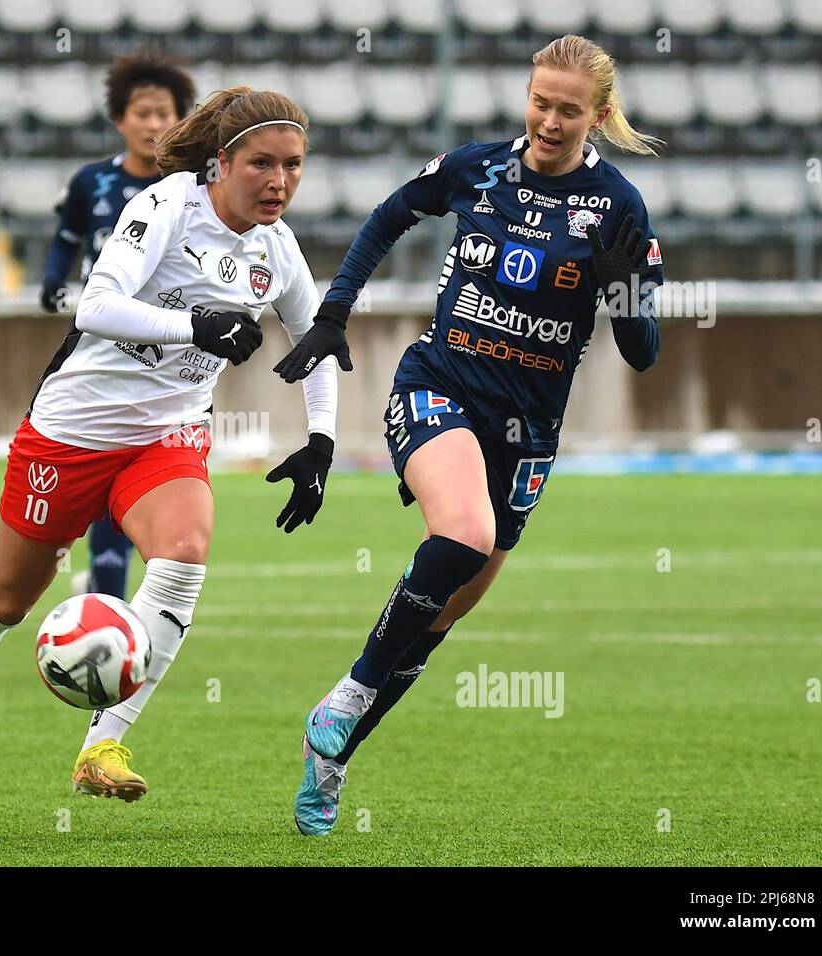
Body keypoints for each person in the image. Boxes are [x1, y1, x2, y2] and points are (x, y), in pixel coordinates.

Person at [0, 87, 339, 803]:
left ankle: (103, 742)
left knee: (185, 554)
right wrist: (196, 326)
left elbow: (318, 344)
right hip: (73, 432)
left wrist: (320, 443)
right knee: (8, 600)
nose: (279, 181)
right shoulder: (168, 206)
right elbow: (95, 306)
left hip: (165, 438)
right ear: (222, 162)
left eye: (293, 166)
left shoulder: (278, 249)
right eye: (262, 163)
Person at [275, 34, 666, 835]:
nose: (550, 121)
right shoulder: (477, 168)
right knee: (463, 532)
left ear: (598, 114)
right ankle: (351, 688)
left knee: (439, 619)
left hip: (527, 432)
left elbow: (643, 353)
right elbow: (387, 218)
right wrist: (333, 313)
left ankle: (329, 764)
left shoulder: (618, 205)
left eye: (568, 109)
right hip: (437, 387)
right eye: (540, 102)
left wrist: (625, 288)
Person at [38, 53, 197, 602]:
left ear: (182, 120)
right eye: (142, 113)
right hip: (97, 338)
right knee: (73, 456)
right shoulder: (92, 182)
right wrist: (52, 282)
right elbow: (66, 236)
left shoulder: (191, 189)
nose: (153, 125)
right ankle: (59, 556)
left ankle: (107, 600)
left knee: (130, 468)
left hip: (168, 348)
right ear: (120, 119)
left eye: (164, 115)